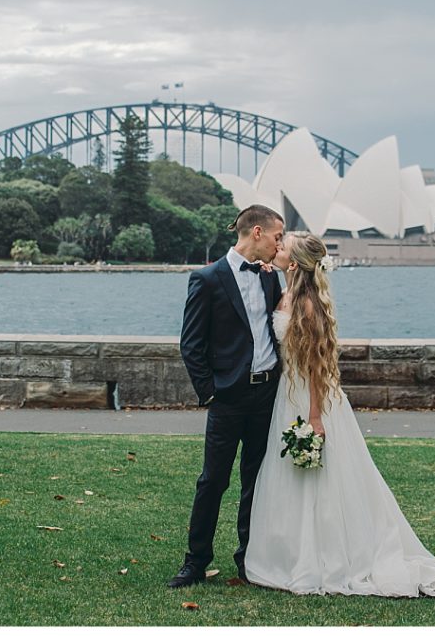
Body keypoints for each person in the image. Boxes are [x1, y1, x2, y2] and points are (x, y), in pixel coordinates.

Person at [244, 232, 435, 599]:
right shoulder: (285, 291)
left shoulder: (308, 305)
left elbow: (315, 366)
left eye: (281, 248)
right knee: (292, 478)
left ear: (294, 263)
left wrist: (315, 418)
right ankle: (291, 553)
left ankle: (322, 558)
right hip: (287, 396)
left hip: (308, 399)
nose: (274, 249)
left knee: (321, 480)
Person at [169, 204, 285, 588]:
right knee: (213, 480)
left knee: (258, 479)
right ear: (256, 232)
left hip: (266, 394)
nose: (278, 244)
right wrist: (210, 395)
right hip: (228, 399)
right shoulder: (207, 278)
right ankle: (196, 561)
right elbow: (191, 345)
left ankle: (249, 560)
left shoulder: (271, 278)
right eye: (276, 237)